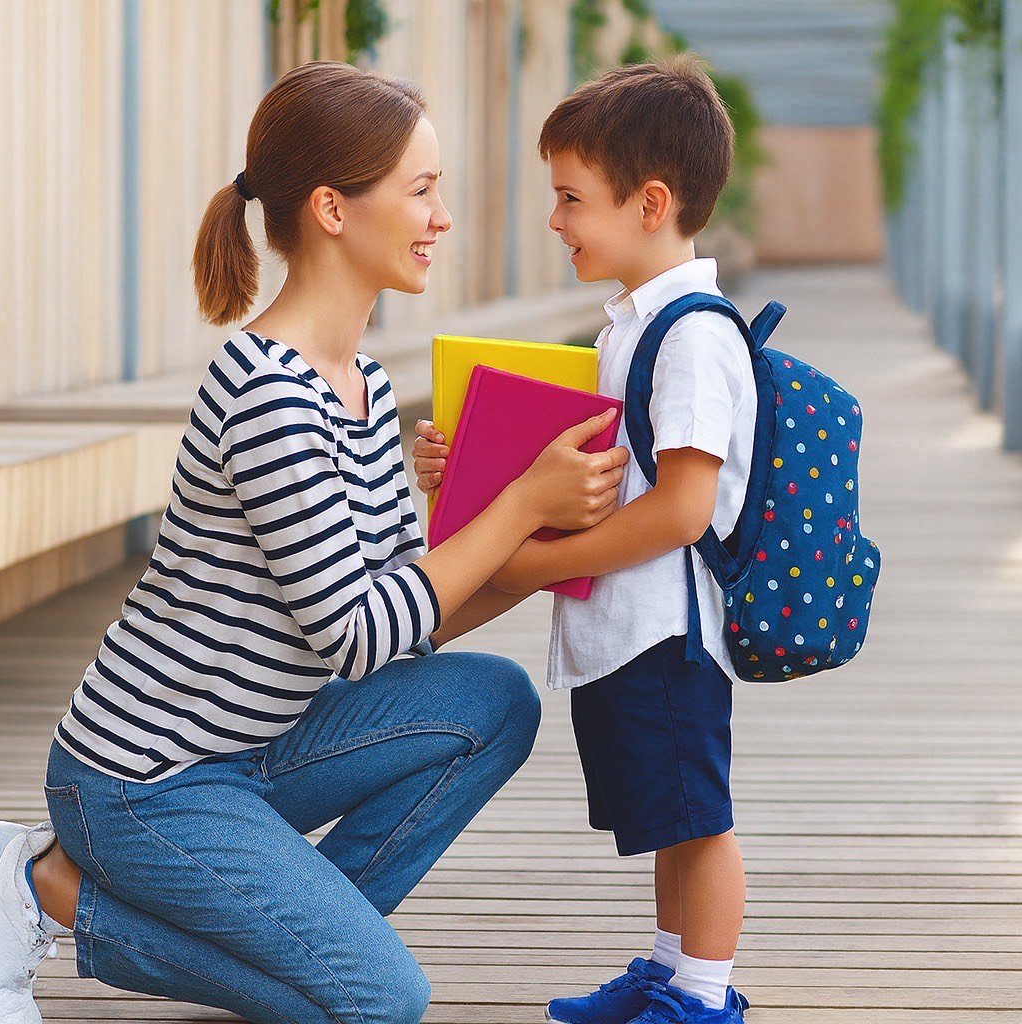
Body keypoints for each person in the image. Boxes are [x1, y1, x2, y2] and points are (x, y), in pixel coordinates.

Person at [0, 60, 628, 1024]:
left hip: (260, 745)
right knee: (380, 1001)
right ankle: (39, 886)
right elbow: (354, 636)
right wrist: (517, 508)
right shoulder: (265, 390)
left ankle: (296, 945)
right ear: (332, 210)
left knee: (496, 701)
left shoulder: (364, 386)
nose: (442, 219)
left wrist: (550, 527)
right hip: (146, 779)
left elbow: (407, 617)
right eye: (422, 191)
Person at [414, 55, 754, 1024]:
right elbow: (593, 472)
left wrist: (537, 561)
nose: (555, 220)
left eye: (571, 198)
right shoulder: (628, 330)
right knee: (666, 818)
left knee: (699, 821)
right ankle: (667, 967)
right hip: (624, 625)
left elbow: (683, 509)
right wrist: (468, 464)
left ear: (650, 203)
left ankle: (704, 995)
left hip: (667, 632)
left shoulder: (690, 335)